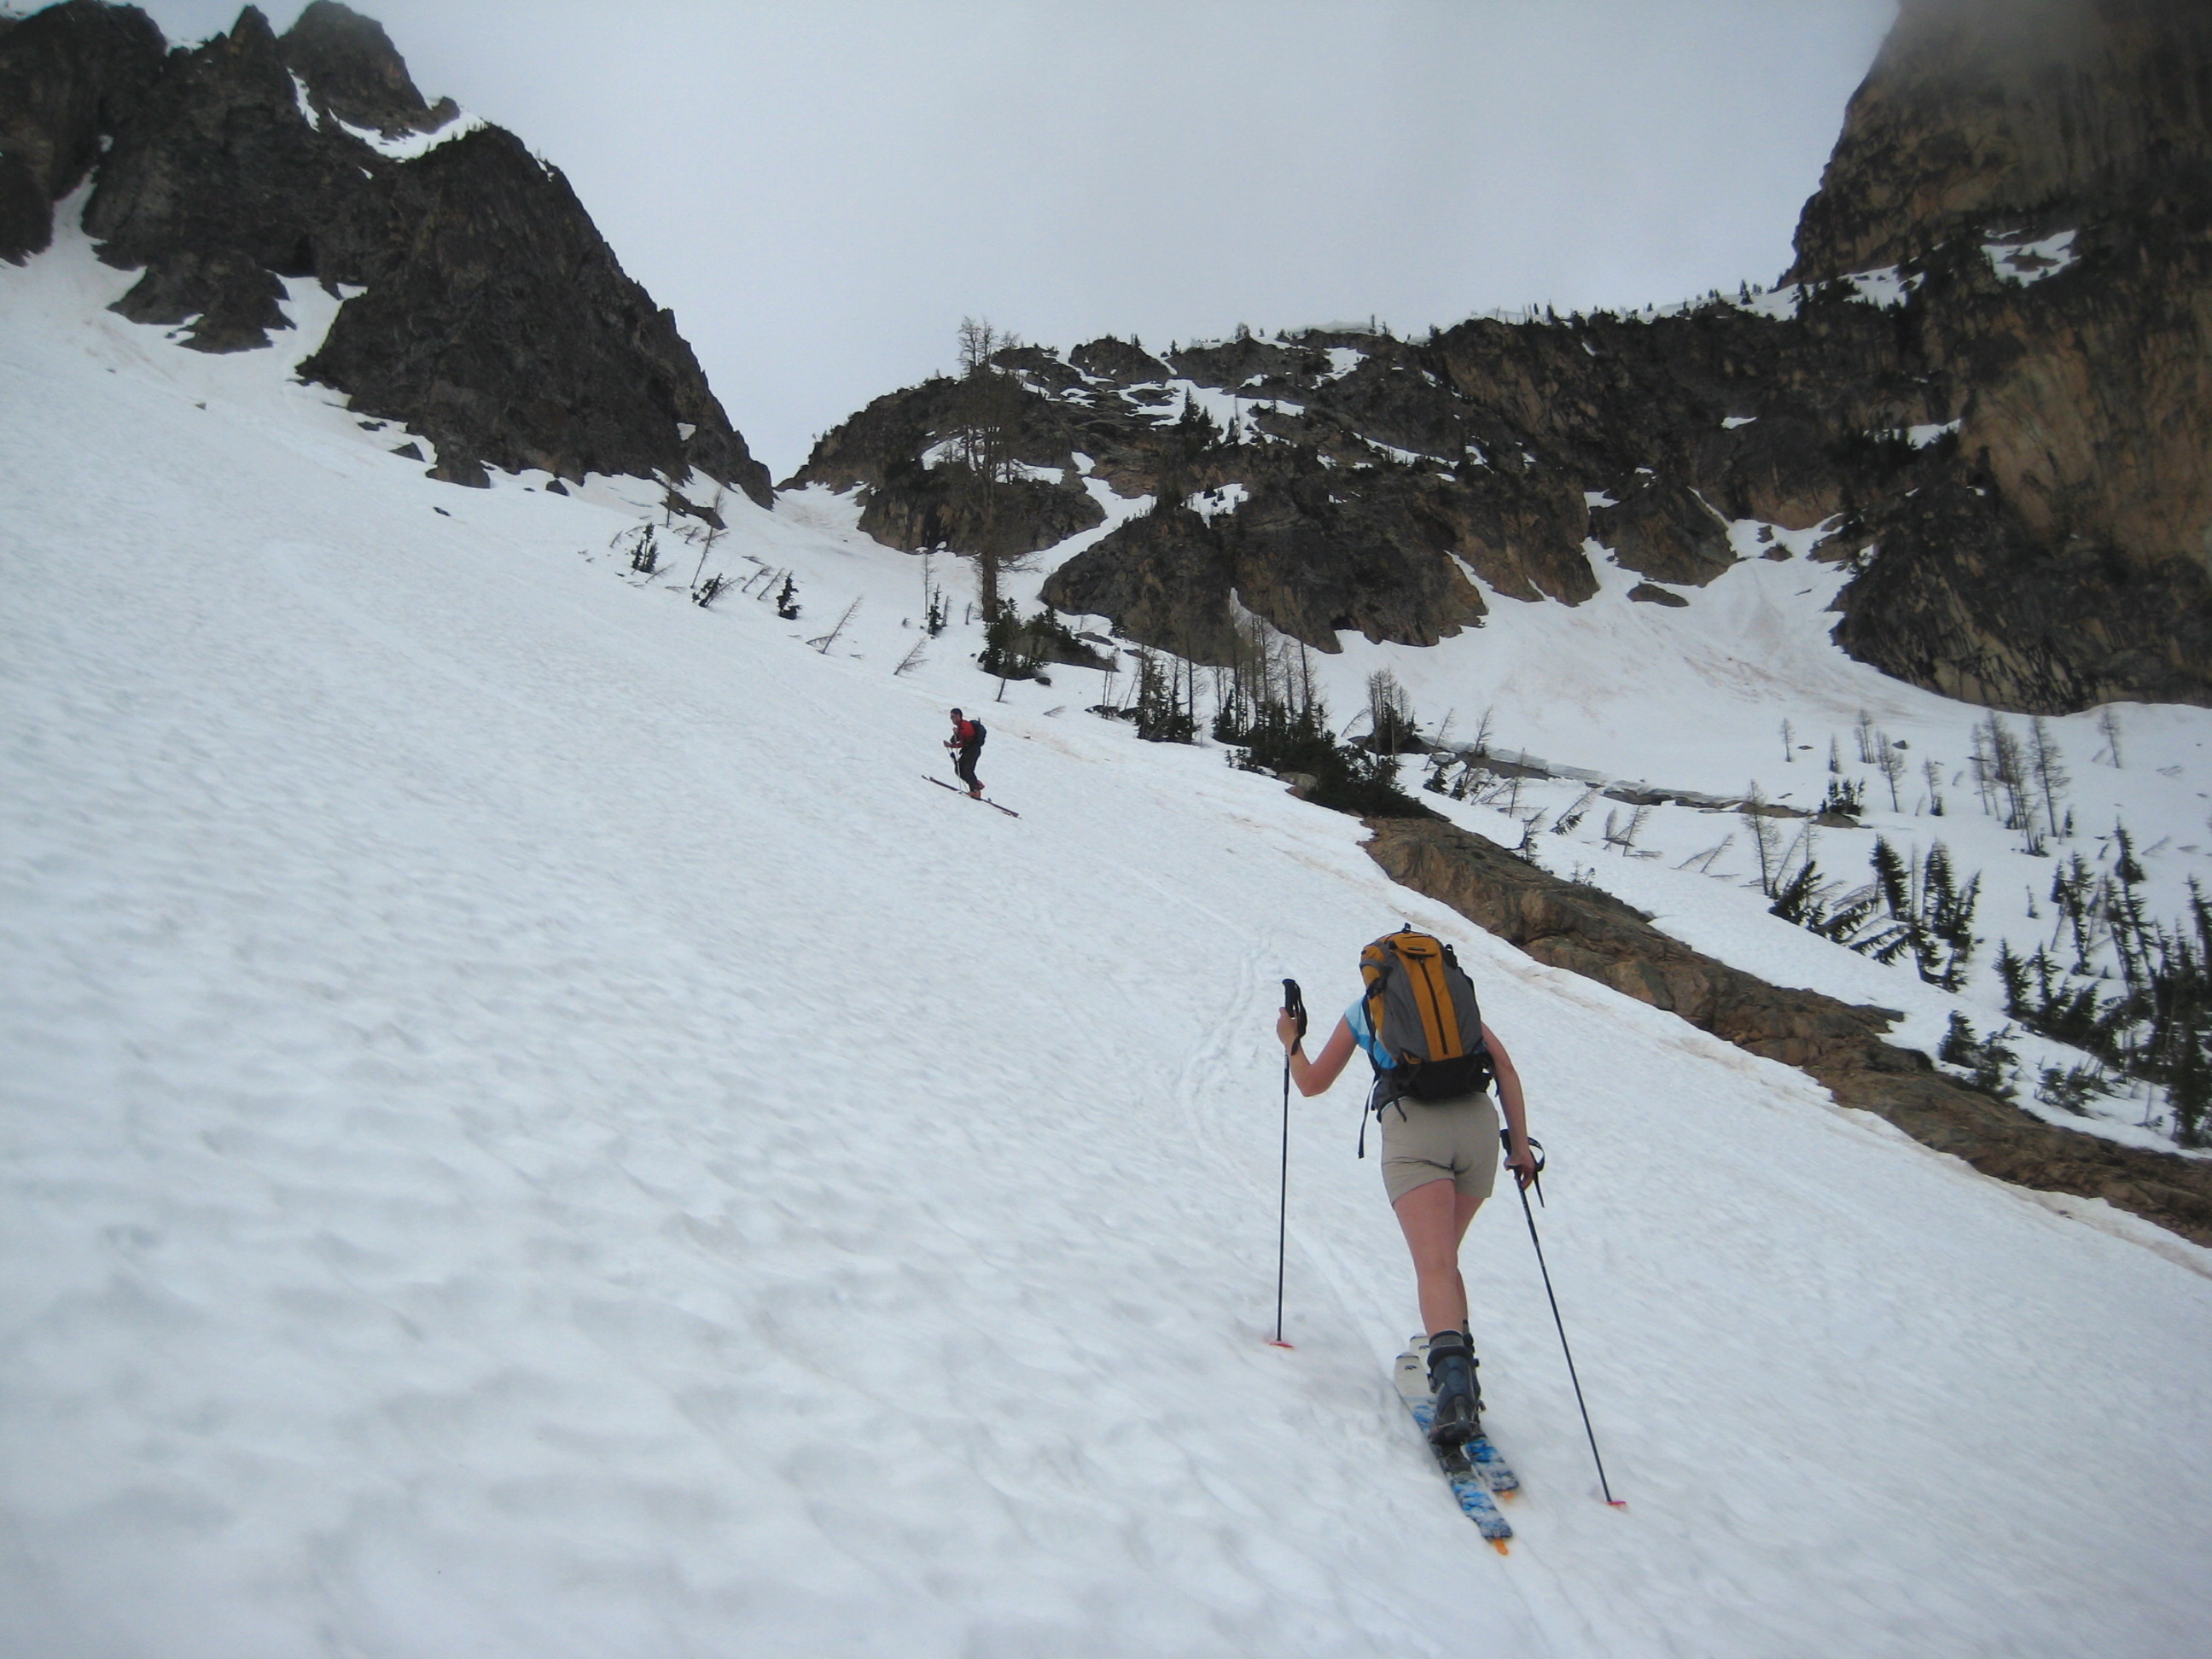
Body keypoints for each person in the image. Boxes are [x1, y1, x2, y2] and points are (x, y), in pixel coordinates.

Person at [1275, 948, 1536, 1444]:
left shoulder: (1364, 1011)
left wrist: (1291, 1042)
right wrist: (1520, 1146)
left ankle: (1454, 1396)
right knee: (1446, 1260)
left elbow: (1311, 1084)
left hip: (1416, 1130)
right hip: (1479, 1128)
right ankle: (1465, 1374)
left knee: (1434, 1266)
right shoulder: (1454, 1010)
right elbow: (1505, 1068)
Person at [946, 707, 987, 798]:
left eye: (953, 717)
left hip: (973, 750)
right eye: (951, 717)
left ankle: (975, 791)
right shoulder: (961, 726)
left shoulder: (965, 724)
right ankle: (976, 785)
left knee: (968, 769)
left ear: (958, 716)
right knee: (959, 769)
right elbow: (963, 743)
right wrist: (951, 745)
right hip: (969, 750)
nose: (952, 719)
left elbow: (969, 734)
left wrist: (958, 732)